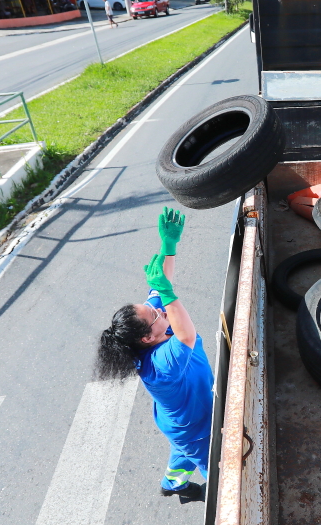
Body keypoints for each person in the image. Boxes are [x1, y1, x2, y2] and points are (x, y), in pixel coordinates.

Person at [95, 208, 213, 501]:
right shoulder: (161, 365)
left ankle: (172, 484)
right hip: (196, 426)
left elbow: (160, 283)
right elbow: (186, 333)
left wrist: (168, 246)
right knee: (223, 471)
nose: (159, 308)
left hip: (181, 418)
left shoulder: (151, 330)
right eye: (154, 313)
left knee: (180, 451)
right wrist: (166, 290)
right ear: (147, 337)